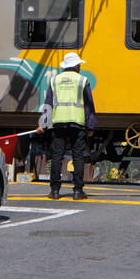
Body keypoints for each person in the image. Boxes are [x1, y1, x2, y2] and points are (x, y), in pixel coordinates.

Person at [36, 52, 96, 200]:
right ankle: (77, 191)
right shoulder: (82, 80)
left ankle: (55, 191)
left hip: (59, 123)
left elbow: (48, 104)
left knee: (57, 156)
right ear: (75, 65)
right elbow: (89, 106)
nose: (80, 66)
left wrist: (42, 124)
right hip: (77, 123)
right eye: (79, 64)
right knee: (78, 157)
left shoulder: (55, 80)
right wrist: (91, 126)